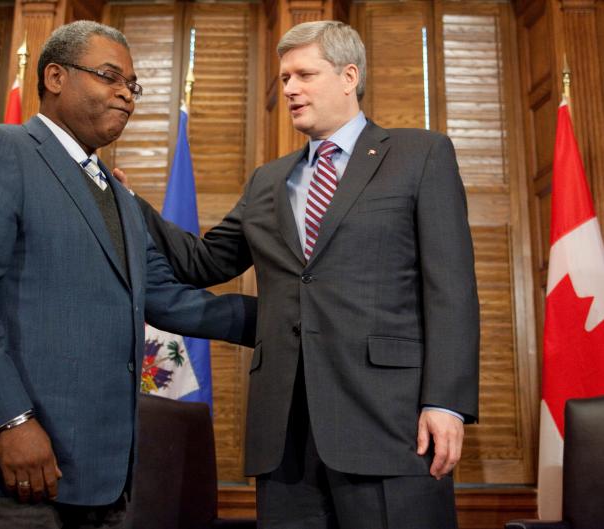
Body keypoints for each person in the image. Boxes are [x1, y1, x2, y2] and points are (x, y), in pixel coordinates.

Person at [120, 20, 479, 529]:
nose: (288, 89)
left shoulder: (420, 156)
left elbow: (453, 291)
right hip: (284, 436)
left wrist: (446, 402)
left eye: (304, 75)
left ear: (349, 75)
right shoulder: (269, 180)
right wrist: (127, 204)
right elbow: (202, 263)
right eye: (285, 77)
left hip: (390, 425)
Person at [0, 20, 255, 529]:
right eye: (109, 76)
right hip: (3, 471)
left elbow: (170, 300)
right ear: (55, 77)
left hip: (97, 480)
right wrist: (12, 420)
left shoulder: (117, 193)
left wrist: (295, 320)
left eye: (132, 85)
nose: (126, 95)